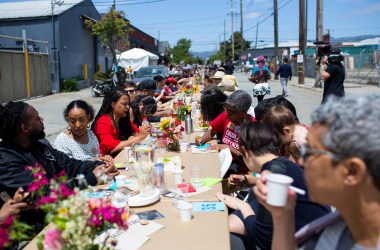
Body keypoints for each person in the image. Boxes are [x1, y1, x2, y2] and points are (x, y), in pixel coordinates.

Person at [254, 94, 380, 250]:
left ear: (352, 171)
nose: (300, 161)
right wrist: (282, 215)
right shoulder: (334, 232)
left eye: (310, 153)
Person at [0, 101, 118, 226]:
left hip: (67, 210)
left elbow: (69, 164)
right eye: (37, 118)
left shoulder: (39, 144)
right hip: (41, 228)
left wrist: (99, 167)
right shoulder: (6, 161)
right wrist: (91, 178)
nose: (42, 119)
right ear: (25, 128)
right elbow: (44, 194)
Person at [217, 122, 330, 250]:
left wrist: (243, 206)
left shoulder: (273, 176)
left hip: (303, 244)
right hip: (317, 239)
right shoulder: (284, 165)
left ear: (245, 152)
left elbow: (263, 239)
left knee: (220, 237)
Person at [196, 90, 255, 175]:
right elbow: (212, 132)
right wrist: (202, 139)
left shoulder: (253, 128)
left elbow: (249, 159)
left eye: (230, 112)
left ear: (244, 113)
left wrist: (228, 148)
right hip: (225, 163)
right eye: (226, 109)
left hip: (241, 171)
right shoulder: (226, 116)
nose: (226, 113)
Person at [92, 87, 151, 157]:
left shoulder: (123, 119)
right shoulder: (102, 123)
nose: (128, 107)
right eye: (124, 104)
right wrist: (138, 138)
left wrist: (133, 136)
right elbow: (111, 148)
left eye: (128, 104)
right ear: (113, 105)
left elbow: (137, 132)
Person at [53, 100, 114, 164]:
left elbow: (97, 156)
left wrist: (104, 158)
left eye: (81, 120)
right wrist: (92, 162)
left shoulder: (91, 135)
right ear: (68, 120)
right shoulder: (62, 141)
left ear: (88, 118)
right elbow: (66, 168)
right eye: (73, 121)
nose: (78, 125)